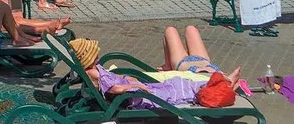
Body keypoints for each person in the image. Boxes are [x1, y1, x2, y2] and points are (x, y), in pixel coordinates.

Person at [71, 35, 241, 112]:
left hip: (139, 91)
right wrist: (131, 85)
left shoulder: (94, 69)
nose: (99, 57)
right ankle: (223, 85)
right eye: (95, 55)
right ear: (88, 58)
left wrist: (130, 80)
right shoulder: (93, 72)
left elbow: (114, 83)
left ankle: (223, 83)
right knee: (179, 89)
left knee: (176, 81)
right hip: (140, 96)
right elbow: (113, 89)